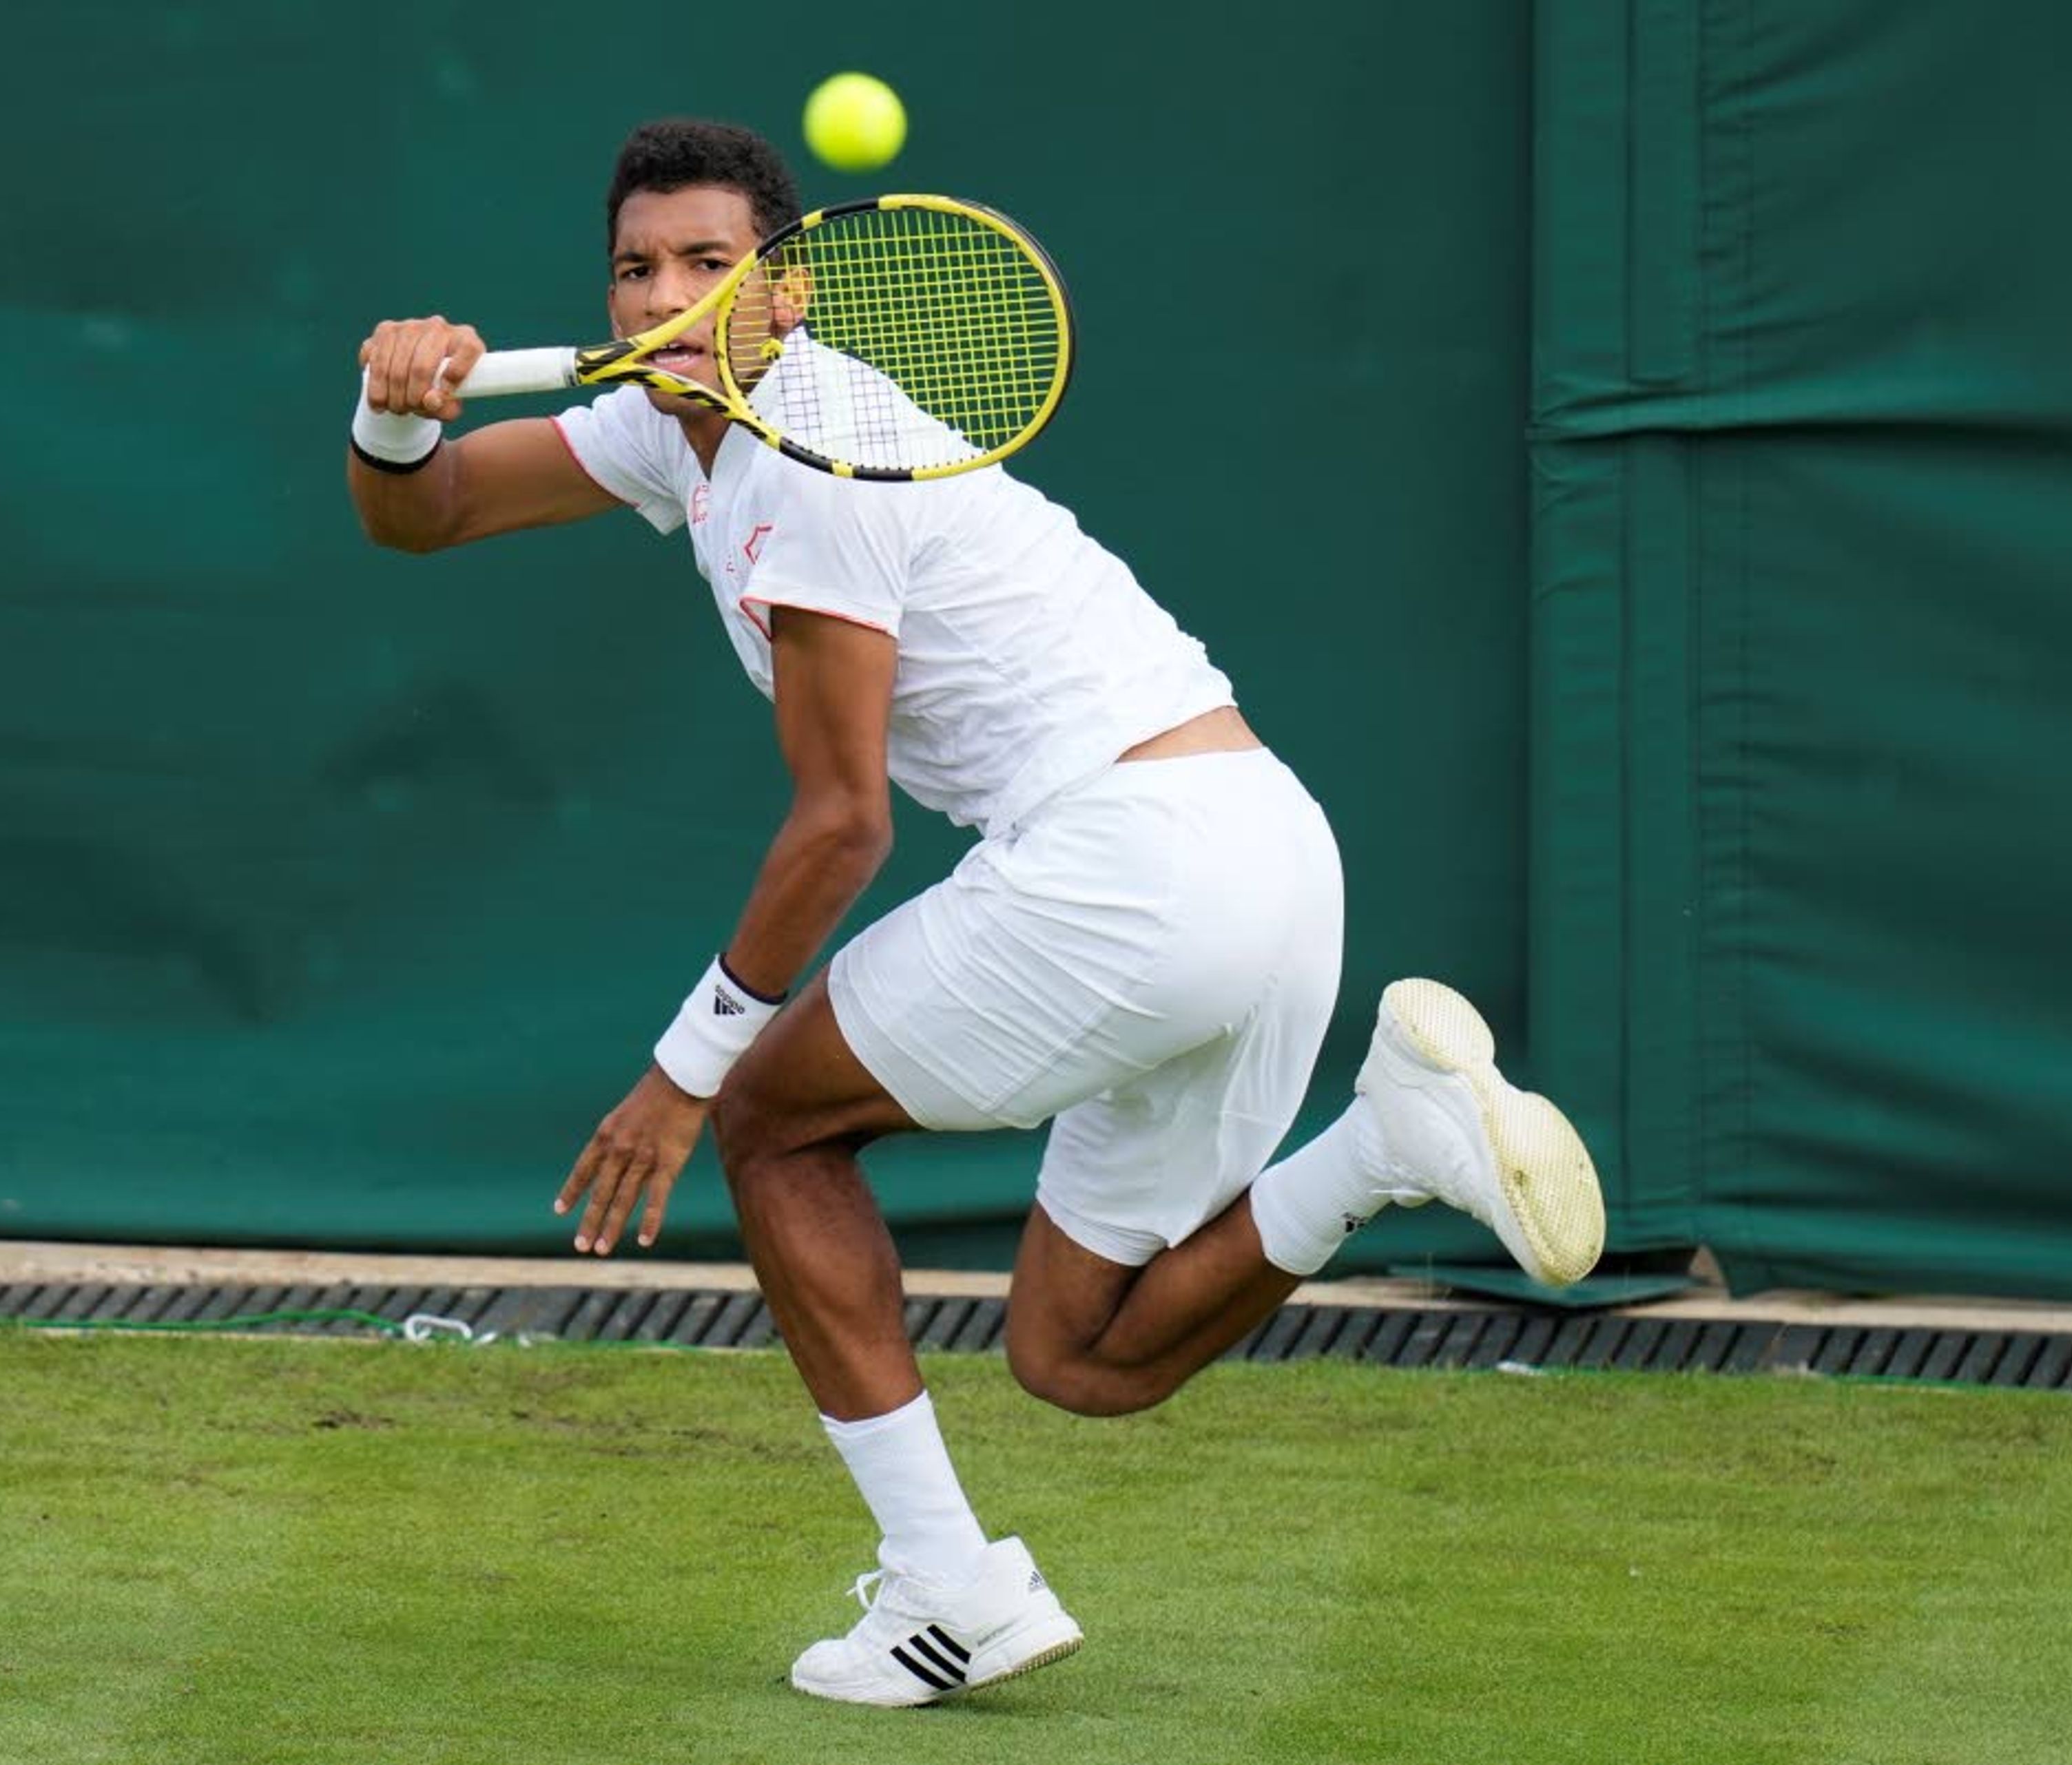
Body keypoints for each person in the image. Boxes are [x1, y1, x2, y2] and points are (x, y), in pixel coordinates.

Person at [347, 118, 1604, 1707]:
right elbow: (432, 509)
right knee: (1081, 1356)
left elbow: (842, 821)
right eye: (635, 268)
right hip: (1271, 856)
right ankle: (1389, 1143)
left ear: (784, 294)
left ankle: (949, 1590)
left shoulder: (809, 462)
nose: (664, 292)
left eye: (707, 265)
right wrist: (393, 417)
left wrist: (683, 1073)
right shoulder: (683, 421)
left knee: (768, 1129)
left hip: (1129, 859)